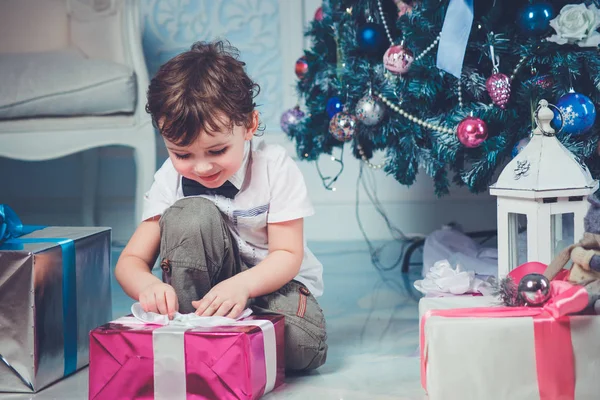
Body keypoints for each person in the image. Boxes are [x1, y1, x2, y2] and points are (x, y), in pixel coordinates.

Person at [114, 40, 327, 371]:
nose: (201, 168)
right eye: (182, 154)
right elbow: (129, 262)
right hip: (203, 292)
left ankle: (233, 337)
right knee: (189, 215)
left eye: (216, 151)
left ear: (250, 125)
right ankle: (194, 335)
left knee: (304, 345)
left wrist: (242, 286)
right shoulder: (169, 178)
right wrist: (149, 286)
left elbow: (287, 255)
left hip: (271, 284)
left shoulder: (275, 166)